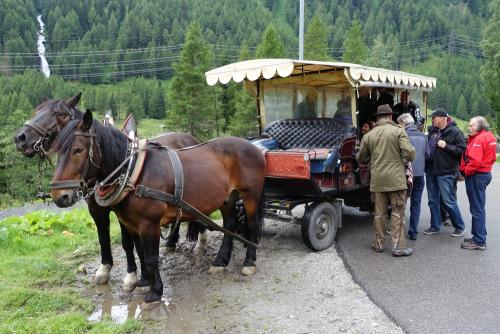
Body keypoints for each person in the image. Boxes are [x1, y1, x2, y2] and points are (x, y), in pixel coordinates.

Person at [358, 104, 416, 257]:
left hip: (377, 181)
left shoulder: (369, 135)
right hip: (396, 180)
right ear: (390, 116)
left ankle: (378, 244)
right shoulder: (399, 131)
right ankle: (397, 246)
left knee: (379, 214)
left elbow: (361, 159)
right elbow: (410, 154)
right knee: (397, 213)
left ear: (377, 118)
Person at [423, 108, 467, 237]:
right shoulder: (432, 130)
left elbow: (461, 150)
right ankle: (435, 226)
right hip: (431, 169)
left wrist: (446, 146)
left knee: (448, 200)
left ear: (442, 118)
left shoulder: (455, 132)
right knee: (432, 200)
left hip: (445, 171)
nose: (432, 120)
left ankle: (460, 226)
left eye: (434, 117)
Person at [459, 116, 496, 250]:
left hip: (477, 175)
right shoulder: (489, 136)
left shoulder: (479, 139)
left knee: (477, 208)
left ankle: (479, 240)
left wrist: (465, 172)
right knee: (478, 207)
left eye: (472, 125)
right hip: (485, 174)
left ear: (480, 127)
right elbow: (492, 158)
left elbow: (475, 161)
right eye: (469, 125)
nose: (469, 127)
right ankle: (478, 236)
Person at [397, 113, 426, 240]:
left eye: (399, 124)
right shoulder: (423, 136)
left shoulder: (403, 135)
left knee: (400, 202)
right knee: (416, 203)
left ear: (403, 123)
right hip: (420, 174)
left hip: (405, 173)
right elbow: (428, 154)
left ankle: (397, 229)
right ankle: (413, 231)